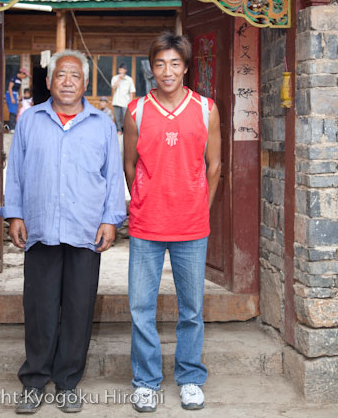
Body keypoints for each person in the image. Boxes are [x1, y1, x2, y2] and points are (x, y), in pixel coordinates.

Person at [0, 50, 126, 414]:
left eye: (75, 76)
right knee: (39, 307)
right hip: (40, 228)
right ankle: (34, 381)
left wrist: (110, 220)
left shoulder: (102, 124)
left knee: (78, 308)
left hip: (86, 230)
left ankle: (68, 382)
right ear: (49, 81)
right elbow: (16, 171)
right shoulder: (30, 120)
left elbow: (113, 177)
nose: (67, 82)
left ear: (85, 83)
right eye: (61, 75)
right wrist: (15, 215)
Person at [123, 32, 221, 413]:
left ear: (185, 67)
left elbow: (215, 165)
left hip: (191, 226)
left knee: (191, 308)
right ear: (152, 67)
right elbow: (129, 164)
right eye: (160, 64)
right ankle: (146, 381)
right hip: (147, 224)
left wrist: (201, 206)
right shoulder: (136, 110)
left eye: (175, 64)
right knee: (140, 307)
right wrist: (143, 199)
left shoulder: (205, 109)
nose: (167, 71)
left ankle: (190, 377)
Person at [111, 63, 135, 134]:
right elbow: (113, 87)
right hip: (116, 101)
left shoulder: (129, 79)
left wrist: (131, 101)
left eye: (122, 69)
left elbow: (132, 91)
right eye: (120, 69)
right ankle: (119, 130)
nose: (121, 71)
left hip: (125, 102)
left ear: (125, 70)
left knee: (126, 118)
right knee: (117, 118)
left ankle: (126, 131)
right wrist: (119, 79)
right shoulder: (115, 78)